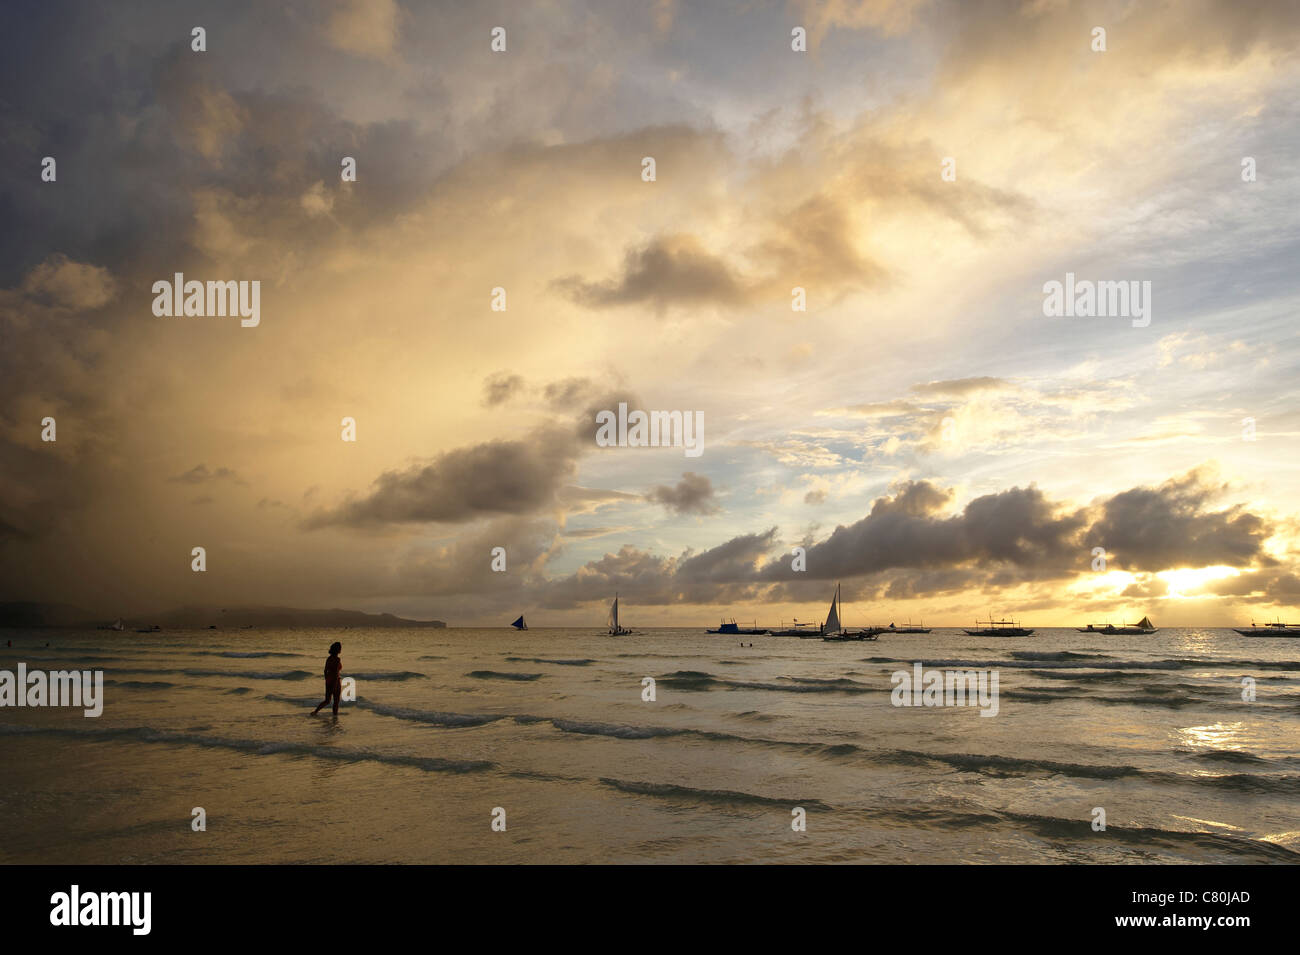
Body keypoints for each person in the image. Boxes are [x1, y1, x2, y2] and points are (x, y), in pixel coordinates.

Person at [312, 642, 343, 716]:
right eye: (340, 648)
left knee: (327, 700)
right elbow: (336, 673)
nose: (340, 649)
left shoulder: (329, 659)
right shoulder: (337, 659)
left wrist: (327, 680)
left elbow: (325, 670)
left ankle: (315, 712)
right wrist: (335, 684)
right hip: (335, 681)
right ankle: (335, 717)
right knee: (336, 701)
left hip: (329, 681)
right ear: (337, 650)